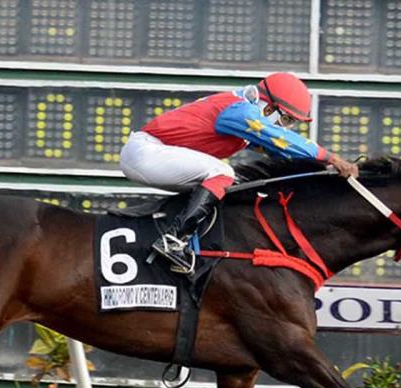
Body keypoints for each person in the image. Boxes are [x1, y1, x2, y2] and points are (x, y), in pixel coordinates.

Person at [119, 72, 359, 274]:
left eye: (290, 122)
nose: (285, 126)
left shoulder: (243, 115)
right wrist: (331, 158)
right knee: (222, 173)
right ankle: (173, 241)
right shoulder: (239, 111)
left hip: (152, 153)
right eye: (285, 118)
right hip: (146, 152)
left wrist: (321, 169)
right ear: (268, 107)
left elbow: (278, 152)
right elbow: (280, 139)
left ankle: (190, 242)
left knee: (231, 186)